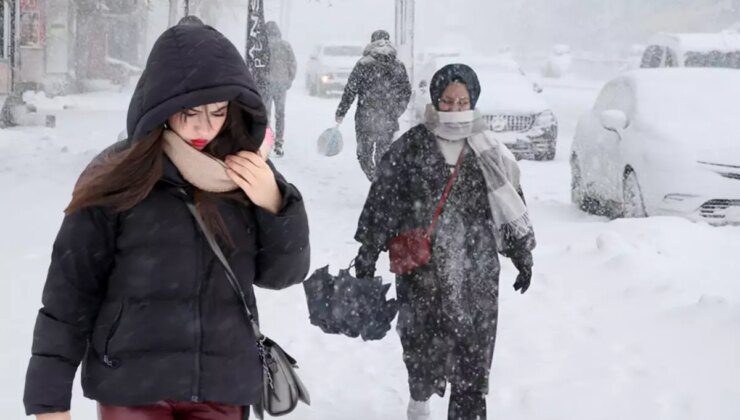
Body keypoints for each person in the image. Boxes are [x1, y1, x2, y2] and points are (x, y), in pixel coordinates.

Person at [23, 18, 310, 420]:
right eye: (189, 110)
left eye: (216, 111)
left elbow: (283, 273)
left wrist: (275, 203)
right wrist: (49, 400)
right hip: (132, 385)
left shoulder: (248, 173)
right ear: (159, 106)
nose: (202, 126)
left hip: (221, 385)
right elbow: (69, 292)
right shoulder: (117, 174)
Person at [352, 64, 536, 420]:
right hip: (424, 270)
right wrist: (368, 250)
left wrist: (522, 254)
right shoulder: (412, 145)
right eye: (447, 101)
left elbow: (510, 202)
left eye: (462, 101)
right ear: (436, 100)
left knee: (474, 352)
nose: (454, 108)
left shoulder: (488, 149)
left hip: (476, 269)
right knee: (421, 344)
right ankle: (420, 397)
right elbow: (384, 200)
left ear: (474, 101)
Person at [335, 29, 411, 181]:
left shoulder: (363, 64)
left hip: (365, 118)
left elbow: (351, 90)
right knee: (383, 155)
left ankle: (375, 179)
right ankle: (382, 184)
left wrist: (341, 112)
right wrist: (396, 111)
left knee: (364, 155)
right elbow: (406, 92)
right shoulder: (398, 65)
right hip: (388, 119)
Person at [264, 21, 297, 157]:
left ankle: (266, 142)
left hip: (266, 84)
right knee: (280, 114)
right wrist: (289, 79)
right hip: (281, 84)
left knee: (266, 114)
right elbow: (293, 64)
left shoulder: (263, 46)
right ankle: (279, 142)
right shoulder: (285, 46)